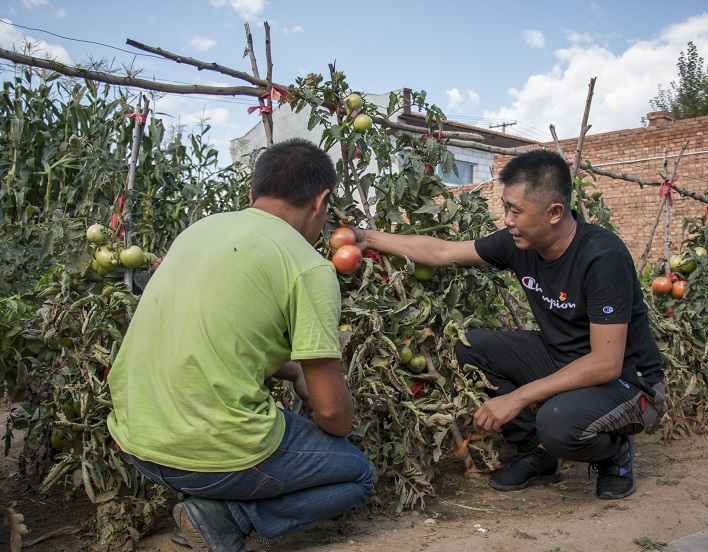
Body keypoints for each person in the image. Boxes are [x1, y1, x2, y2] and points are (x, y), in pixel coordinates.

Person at [106, 138, 374, 551]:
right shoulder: (309, 267)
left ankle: (205, 504)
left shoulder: (198, 231)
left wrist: (293, 369)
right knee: (357, 472)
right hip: (211, 456)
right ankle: (225, 516)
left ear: (253, 194)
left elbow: (219, 340)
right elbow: (335, 416)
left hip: (137, 442)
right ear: (320, 201)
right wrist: (315, 393)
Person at [352, 149, 664, 500]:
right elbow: (443, 252)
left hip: (628, 381)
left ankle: (613, 452)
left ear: (554, 213)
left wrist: (518, 397)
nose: (507, 219)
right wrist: (367, 239)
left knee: (557, 424)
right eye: (506, 208)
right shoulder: (520, 243)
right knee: (473, 346)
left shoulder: (601, 256)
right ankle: (539, 454)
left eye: (516, 210)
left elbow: (605, 363)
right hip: (564, 361)